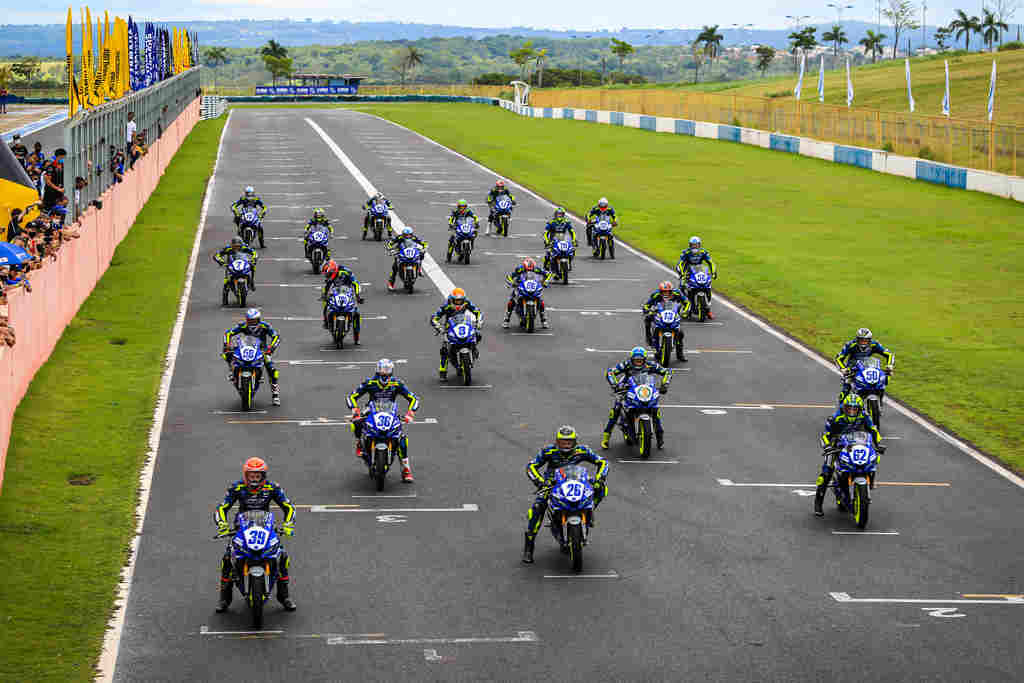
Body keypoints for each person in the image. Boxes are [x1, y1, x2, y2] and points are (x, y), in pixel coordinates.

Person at [213, 457, 297, 612]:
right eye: (251, 475)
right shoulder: (236, 488)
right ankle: (225, 598)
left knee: (282, 556)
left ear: (263, 476)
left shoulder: (273, 488)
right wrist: (222, 525)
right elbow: (221, 508)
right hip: (241, 528)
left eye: (258, 476)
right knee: (227, 559)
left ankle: (284, 596)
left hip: (266, 527)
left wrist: (288, 525)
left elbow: (289, 507)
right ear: (246, 475)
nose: (254, 479)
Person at [521, 425, 609, 564]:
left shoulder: (582, 450)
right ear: (557, 441)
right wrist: (540, 482)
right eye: (563, 441)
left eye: (569, 441)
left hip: (577, 482)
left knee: (602, 489)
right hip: (553, 485)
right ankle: (529, 546)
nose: (566, 444)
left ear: (575, 442)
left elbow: (602, 462)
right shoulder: (548, 451)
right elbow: (531, 466)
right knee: (538, 507)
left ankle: (589, 511)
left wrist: (599, 478)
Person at [346, 359, 420, 482]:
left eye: (387, 369)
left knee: (401, 439)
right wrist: (355, 410)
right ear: (377, 369)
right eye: (382, 369)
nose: (384, 372)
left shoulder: (397, 383)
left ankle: (406, 469)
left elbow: (413, 398)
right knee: (357, 422)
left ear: (391, 371)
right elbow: (351, 396)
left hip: (390, 413)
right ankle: (359, 442)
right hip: (371, 411)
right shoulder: (370, 383)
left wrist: (410, 413)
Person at [814, 394, 886, 516]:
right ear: (844, 408)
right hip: (837, 446)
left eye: (855, 409)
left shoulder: (864, 416)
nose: (852, 412)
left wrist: (878, 443)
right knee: (826, 471)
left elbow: (873, 430)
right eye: (849, 408)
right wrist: (827, 446)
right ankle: (818, 502)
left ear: (860, 409)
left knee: (873, 459)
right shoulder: (836, 418)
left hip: (857, 444)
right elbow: (825, 435)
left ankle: (870, 481)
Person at [602, 346, 671, 450]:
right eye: (636, 360)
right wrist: (615, 385)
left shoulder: (650, 365)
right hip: (626, 389)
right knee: (616, 410)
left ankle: (660, 437)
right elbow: (610, 372)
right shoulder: (626, 364)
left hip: (645, 391)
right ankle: (606, 438)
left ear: (644, 359)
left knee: (655, 410)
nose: (638, 362)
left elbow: (667, 371)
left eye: (640, 360)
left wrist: (664, 384)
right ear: (632, 359)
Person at [222, 308, 281, 406]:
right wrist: (226, 345)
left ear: (258, 319)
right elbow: (228, 333)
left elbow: (276, 336)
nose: (252, 323)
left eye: (254, 320)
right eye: (250, 320)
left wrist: (271, 348)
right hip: (245, 348)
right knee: (228, 354)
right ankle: (231, 371)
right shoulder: (243, 325)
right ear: (247, 320)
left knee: (272, 370)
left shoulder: (265, 326)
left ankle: (275, 394)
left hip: (262, 350)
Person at [430, 287, 484, 381]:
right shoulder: (446, 305)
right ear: (452, 299)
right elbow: (434, 317)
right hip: (450, 328)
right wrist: (438, 326)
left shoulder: (467, 303)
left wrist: (479, 321)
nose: (458, 302)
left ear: (463, 299)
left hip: (464, 325)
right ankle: (443, 371)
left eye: (460, 300)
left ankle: (474, 349)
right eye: (456, 300)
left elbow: (478, 312)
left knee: (478, 334)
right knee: (444, 348)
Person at [834, 328, 895, 404]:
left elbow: (889, 354)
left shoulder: (874, 344)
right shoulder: (850, 345)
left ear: (869, 340)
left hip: (868, 368)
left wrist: (889, 365)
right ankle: (841, 410)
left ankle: (880, 400)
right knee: (846, 389)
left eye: (865, 340)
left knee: (883, 379)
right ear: (857, 339)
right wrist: (843, 369)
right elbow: (838, 358)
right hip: (852, 370)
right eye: (861, 340)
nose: (863, 343)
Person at [642, 281, 691, 355]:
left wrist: (685, 312)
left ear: (671, 291)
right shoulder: (656, 294)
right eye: (664, 292)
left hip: (673, 314)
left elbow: (687, 302)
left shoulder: (677, 293)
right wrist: (647, 310)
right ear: (660, 291)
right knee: (647, 318)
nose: (666, 294)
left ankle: (680, 353)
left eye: (668, 292)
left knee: (680, 333)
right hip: (659, 314)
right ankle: (649, 338)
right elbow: (647, 305)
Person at [502, 258, 553, 329]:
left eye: (531, 269)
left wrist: (545, 281)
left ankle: (544, 320)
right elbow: (510, 276)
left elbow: (549, 274)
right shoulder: (519, 269)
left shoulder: (537, 269)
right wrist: (512, 283)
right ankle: (506, 320)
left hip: (533, 286)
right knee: (512, 301)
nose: (529, 270)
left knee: (541, 301)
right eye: (527, 269)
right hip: (520, 287)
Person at [675, 236, 718, 319]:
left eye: (696, 245)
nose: (694, 247)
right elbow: (680, 264)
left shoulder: (703, 252)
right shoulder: (686, 253)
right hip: (687, 273)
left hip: (699, 272)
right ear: (690, 245)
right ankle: (685, 306)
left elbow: (710, 262)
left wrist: (713, 272)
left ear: (699, 245)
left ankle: (708, 310)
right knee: (682, 286)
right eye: (693, 245)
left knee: (708, 286)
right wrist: (682, 273)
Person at [320, 260, 364, 342]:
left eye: (328, 274)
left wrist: (358, 296)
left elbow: (356, 283)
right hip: (336, 292)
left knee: (356, 313)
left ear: (333, 271)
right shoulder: (330, 278)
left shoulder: (346, 272)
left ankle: (356, 336)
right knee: (326, 304)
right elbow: (327, 286)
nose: (327, 276)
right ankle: (326, 321)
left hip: (348, 293)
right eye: (326, 275)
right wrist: (324, 295)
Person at [384, 226, 428, 291]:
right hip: (401, 253)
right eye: (406, 235)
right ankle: (391, 284)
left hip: (411, 252)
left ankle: (419, 268)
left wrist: (425, 248)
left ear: (412, 234)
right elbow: (389, 243)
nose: (407, 236)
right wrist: (391, 249)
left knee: (421, 255)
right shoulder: (399, 237)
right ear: (403, 234)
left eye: (409, 235)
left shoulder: (414, 238)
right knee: (394, 268)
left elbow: (424, 242)